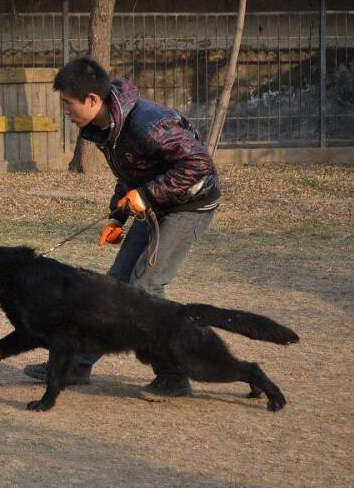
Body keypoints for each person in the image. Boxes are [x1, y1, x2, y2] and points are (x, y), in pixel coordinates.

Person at [24, 57, 221, 401]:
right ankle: (76, 364)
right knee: (112, 286)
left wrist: (146, 195)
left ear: (91, 100)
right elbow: (131, 173)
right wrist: (118, 217)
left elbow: (199, 163)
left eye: (68, 105)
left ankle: (175, 375)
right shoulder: (107, 127)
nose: (66, 113)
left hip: (190, 205)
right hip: (158, 204)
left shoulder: (147, 123)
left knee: (145, 287)